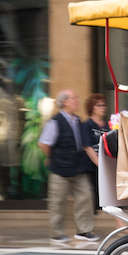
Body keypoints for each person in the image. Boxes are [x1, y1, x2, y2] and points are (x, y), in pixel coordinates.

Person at [38, 90, 98, 245]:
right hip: (60, 168)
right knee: (57, 201)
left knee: (85, 197)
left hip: (78, 167)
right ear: (64, 102)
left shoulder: (77, 120)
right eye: (74, 98)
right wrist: (53, 158)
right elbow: (43, 143)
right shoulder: (55, 121)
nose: (77, 100)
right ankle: (56, 234)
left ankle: (84, 231)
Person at [82, 93, 110, 213]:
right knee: (92, 197)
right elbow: (87, 147)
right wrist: (100, 164)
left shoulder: (108, 126)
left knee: (109, 195)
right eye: (99, 105)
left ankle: (120, 225)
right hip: (92, 167)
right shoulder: (87, 125)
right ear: (92, 107)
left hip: (106, 166)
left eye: (104, 105)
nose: (102, 108)